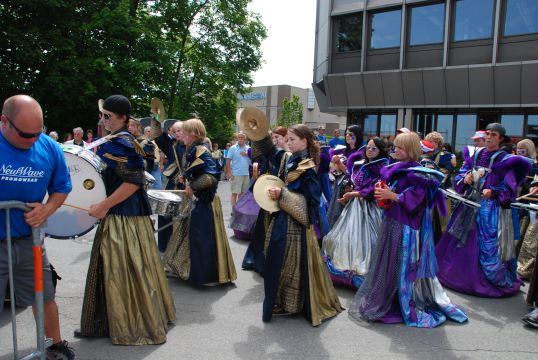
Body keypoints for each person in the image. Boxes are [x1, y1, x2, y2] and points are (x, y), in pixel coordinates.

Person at [77, 95, 175, 344]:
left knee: (119, 270)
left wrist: (103, 204)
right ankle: (113, 320)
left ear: (123, 119)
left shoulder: (118, 144)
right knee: (132, 268)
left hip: (123, 216)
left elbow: (133, 182)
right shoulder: (120, 141)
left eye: (107, 116)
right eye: (102, 114)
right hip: (129, 214)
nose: (103, 119)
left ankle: (129, 324)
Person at [349, 132, 468, 328]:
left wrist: (391, 195)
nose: (396, 150)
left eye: (401, 147)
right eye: (395, 146)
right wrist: (384, 195)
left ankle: (400, 301)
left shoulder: (419, 173)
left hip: (405, 228)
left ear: (411, 150)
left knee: (401, 265)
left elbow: (416, 201)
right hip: (390, 221)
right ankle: (385, 299)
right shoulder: (395, 168)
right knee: (387, 263)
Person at [0, 95, 75, 359]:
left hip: (27, 240)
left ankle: (54, 346)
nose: (33, 140)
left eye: (38, 132)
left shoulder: (48, 147)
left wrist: (47, 209)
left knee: (44, 294)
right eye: (25, 134)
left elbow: (62, 187)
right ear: (4, 122)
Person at [435, 123, 531, 297]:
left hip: (490, 210)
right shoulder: (476, 154)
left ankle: (486, 280)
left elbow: (510, 188)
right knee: (459, 239)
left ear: (501, 139)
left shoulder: (505, 159)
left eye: (493, 134)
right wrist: (466, 179)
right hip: (470, 204)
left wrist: (493, 192)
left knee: (485, 245)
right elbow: (463, 173)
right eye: (487, 133)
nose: (489, 137)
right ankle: (457, 276)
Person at [263, 124, 343, 325]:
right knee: (277, 260)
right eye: (287, 139)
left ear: (304, 141)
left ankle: (293, 303)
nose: (288, 142)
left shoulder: (307, 166)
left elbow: (312, 201)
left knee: (291, 264)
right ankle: (282, 300)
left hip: (296, 226)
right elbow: (271, 153)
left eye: (292, 139)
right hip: (283, 218)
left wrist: (282, 194)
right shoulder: (291, 159)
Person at [163, 118, 236, 285]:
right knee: (190, 236)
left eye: (184, 133)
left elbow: (212, 176)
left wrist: (193, 186)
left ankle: (204, 275)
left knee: (202, 238)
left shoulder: (201, 149)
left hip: (205, 202)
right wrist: (186, 177)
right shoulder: (193, 149)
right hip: (198, 200)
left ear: (193, 134)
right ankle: (186, 269)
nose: (180, 136)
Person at [323, 137, 389, 289]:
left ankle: (361, 272)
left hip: (370, 208)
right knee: (345, 237)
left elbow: (375, 189)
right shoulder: (362, 163)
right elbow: (353, 178)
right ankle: (343, 267)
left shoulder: (383, 166)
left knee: (367, 240)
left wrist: (354, 194)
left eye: (374, 149)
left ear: (381, 151)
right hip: (354, 206)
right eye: (368, 148)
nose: (370, 151)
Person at [327, 125, 364, 228]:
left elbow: (352, 173)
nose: (347, 136)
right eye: (346, 134)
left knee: (343, 215)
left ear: (357, 136)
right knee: (334, 212)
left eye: (351, 134)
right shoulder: (343, 150)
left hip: (350, 189)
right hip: (338, 185)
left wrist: (339, 163)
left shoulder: (361, 153)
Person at [515, 139, 538, 279]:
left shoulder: (532, 165)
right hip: (525, 204)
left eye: (522, 150)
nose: (519, 152)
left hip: (531, 205)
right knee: (522, 235)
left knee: (530, 239)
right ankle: (520, 266)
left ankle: (526, 269)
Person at [225, 132, 251, 208]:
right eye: (239, 137)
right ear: (237, 138)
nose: (240, 139)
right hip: (236, 174)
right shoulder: (233, 148)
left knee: (242, 193)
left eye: (242, 137)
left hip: (246, 174)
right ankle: (233, 210)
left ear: (245, 139)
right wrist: (229, 173)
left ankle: (239, 209)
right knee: (234, 193)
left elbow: (252, 160)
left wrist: (247, 154)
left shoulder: (248, 148)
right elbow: (228, 161)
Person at [144, 125, 163, 190]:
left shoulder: (156, 141)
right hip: (146, 166)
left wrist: (161, 164)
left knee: (158, 186)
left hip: (156, 166)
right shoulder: (142, 142)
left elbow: (161, 152)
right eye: (148, 131)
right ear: (145, 133)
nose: (150, 133)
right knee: (145, 185)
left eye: (151, 131)